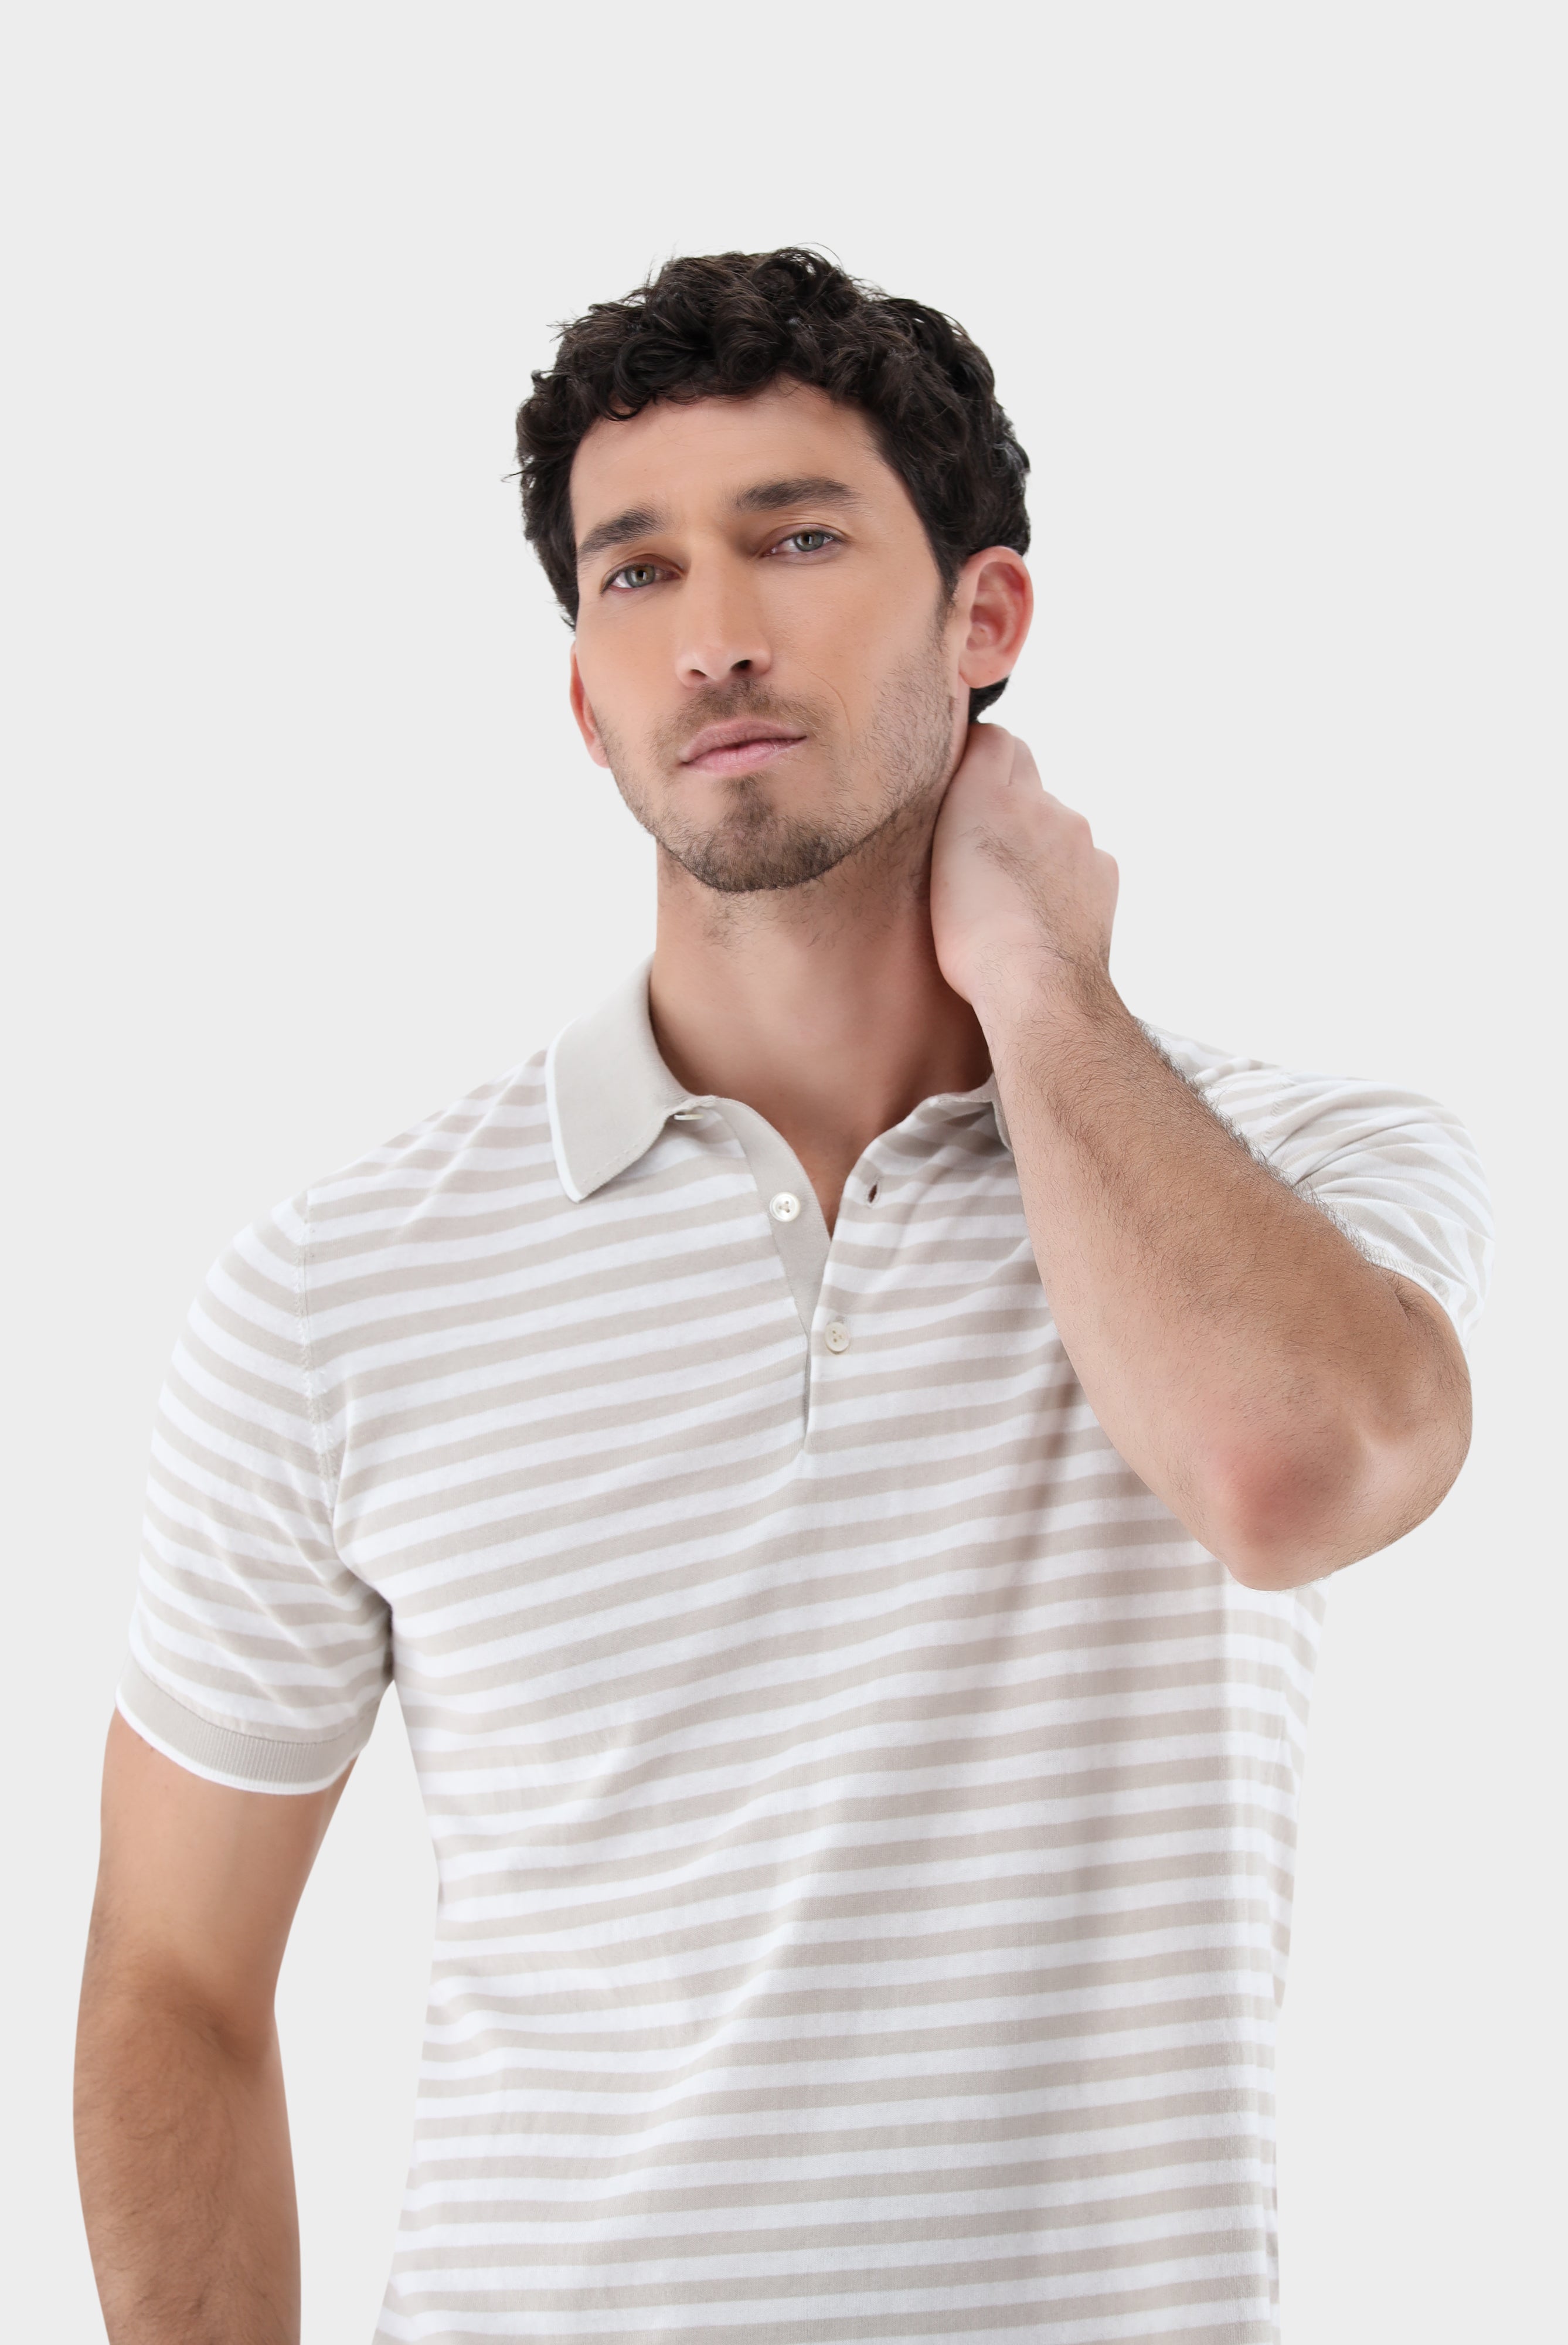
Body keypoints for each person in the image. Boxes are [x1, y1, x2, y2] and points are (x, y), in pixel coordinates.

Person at [75, 249, 1491, 2345]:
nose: (713, 633)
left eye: (798, 539)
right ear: (585, 697)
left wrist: (1038, 979)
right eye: (635, 573)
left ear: (983, 620)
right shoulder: (333, 1290)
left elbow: (1289, 1473)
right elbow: (175, 1984)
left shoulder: (1294, 1170)